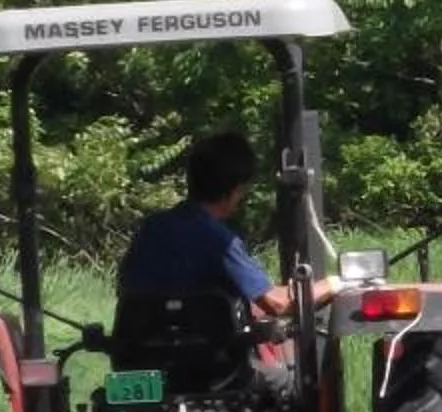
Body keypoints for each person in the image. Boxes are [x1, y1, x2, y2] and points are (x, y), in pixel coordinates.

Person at [116, 131, 334, 322]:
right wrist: (334, 284)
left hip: (139, 356)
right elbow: (279, 303)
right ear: (235, 190)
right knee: (279, 367)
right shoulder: (219, 242)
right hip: (205, 364)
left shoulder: (150, 229)